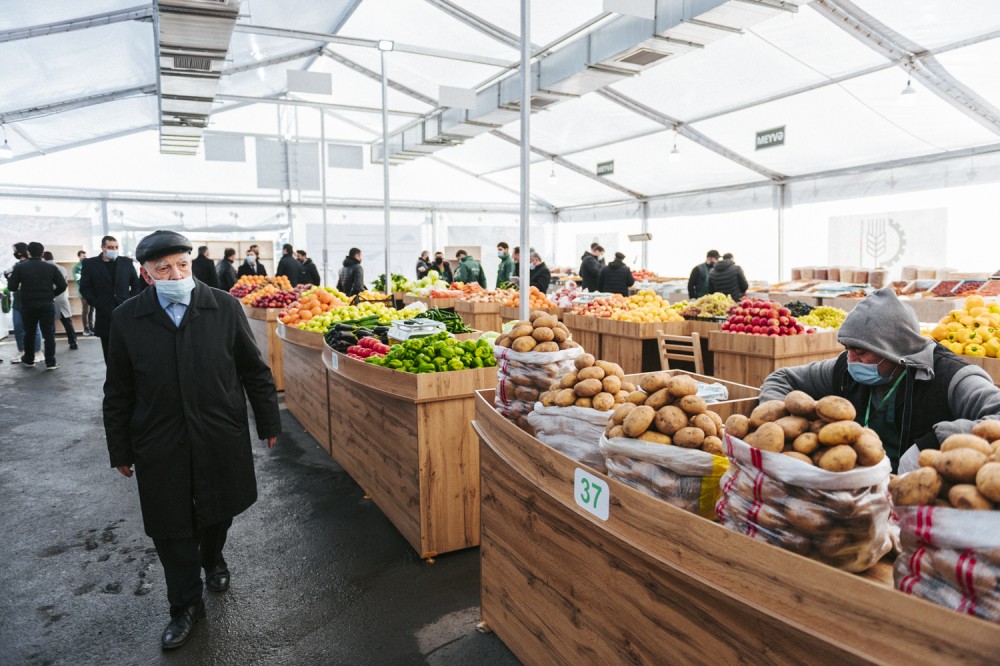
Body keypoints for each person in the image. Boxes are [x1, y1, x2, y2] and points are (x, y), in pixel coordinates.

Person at [103, 230, 280, 650]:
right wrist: (120, 448)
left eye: (181, 264)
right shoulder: (128, 318)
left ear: (191, 263)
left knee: (219, 508)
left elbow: (253, 370)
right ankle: (184, 605)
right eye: (163, 268)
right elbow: (119, 390)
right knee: (170, 524)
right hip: (159, 438)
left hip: (219, 431)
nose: (175, 272)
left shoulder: (223, 306)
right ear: (147, 275)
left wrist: (268, 421)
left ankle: (213, 554)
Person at [760, 289, 1000, 473]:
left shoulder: (952, 378)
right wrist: (775, 424)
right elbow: (782, 377)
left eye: (861, 352)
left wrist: (934, 441)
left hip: (917, 494)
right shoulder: (844, 368)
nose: (851, 359)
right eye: (847, 349)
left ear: (894, 351)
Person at [78, 236, 141, 362]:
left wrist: (129, 301)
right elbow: (85, 288)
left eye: (116, 247)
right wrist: (97, 303)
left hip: (125, 312)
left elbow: (136, 284)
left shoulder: (126, 262)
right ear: (102, 248)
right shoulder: (90, 264)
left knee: (128, 351)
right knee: (109, 353)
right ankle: (112, 379)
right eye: (110, 247)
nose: (114, 249)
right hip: (104, 313)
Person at [7, 242, 67, 369]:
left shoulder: (20, 267)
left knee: (29, 332)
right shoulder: (51, 268)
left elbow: (12, 287)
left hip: (28, 304)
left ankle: (29, 359)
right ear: (42, 253)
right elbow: (62, 285)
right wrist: (52, 295)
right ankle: (50, 362)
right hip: (47, 303)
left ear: (28, 252)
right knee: (49, 334)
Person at [5, 243, 41, 363]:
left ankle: (37, 352)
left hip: (30, 301)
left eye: (15, 250)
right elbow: (13, 284)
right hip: (18, 302)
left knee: (34, 328)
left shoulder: (31, 265)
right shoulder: (16, 265)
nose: (14, 253)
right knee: (18, 327)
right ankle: (22, 351)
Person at [42, 251, 78, 350]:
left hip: (48, 298)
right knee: (66, 321)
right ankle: (73, 342)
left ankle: (50, 345)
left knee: (50, 324)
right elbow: (64, 283)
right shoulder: (62, 268)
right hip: (62, 297)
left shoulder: (44, 269)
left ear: (43, 258)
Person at [73, 249, 95, 336]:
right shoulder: (77, 267)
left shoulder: (89, 265)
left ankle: (91, 327)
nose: (85, 257)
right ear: (79, 257)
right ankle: (86, 329)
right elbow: (78, 280)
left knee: (92, 310)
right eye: (83, 256)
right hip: (84, 293)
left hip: (92, 292)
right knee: (86, 310)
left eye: (85, 255)